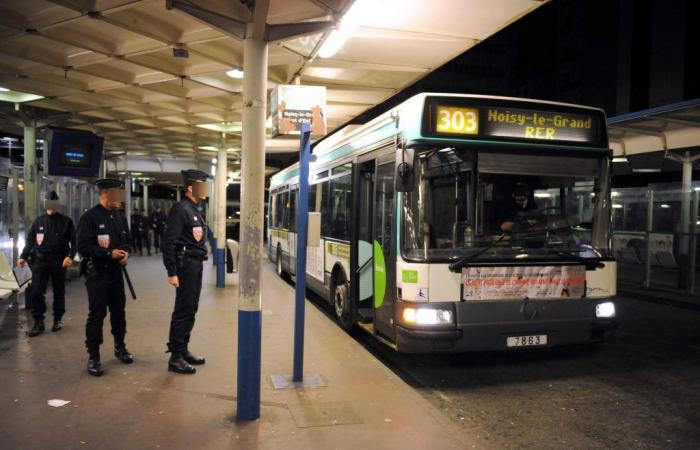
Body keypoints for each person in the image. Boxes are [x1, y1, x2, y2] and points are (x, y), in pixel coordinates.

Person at [77, 179, 134, 377]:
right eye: (117, 194)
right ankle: (93, 355)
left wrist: (125, 253)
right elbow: (83, 247)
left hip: (116, 274)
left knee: (119, 313)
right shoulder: (90, 218)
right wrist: (108, 254)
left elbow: (127, 241)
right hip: (97, 275)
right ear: (106, 194)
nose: (121, 199)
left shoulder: (119, 217)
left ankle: (120, 347)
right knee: (97, 315)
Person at [161, 170, 210, 374]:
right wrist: (172, 271)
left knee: (191, 308)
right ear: (190, 187)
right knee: (183, 310)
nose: (206, 189)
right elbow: (169, 242)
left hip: (195, 265)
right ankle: (175, 357)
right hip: (185, 265)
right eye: (202, 184)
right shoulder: (181, 209)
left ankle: (183, 349)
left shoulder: (194, 209)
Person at [17, 191, 76, 336]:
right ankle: (38, 322)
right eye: (48, 202)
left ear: (57, 204)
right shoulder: (39, 221)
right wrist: (23, 256)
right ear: (45, 204)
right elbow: (30, 240)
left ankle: (58, 318)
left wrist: (70, 256)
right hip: (40, 260)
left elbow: (75, 242)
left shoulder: (66, 221)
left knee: (58, 290)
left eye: (53, 202)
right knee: (37, 291)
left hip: (59, 260)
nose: (51, 205)